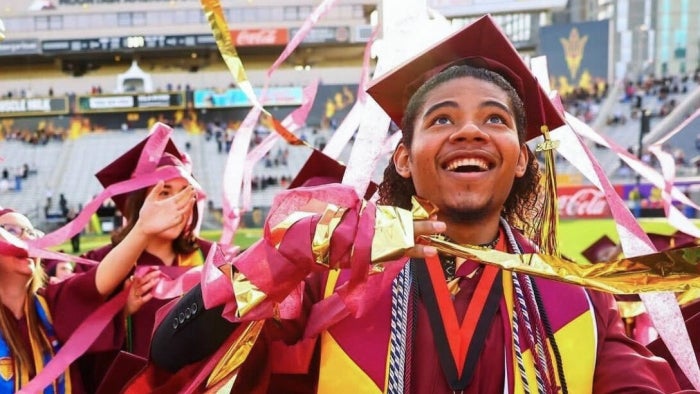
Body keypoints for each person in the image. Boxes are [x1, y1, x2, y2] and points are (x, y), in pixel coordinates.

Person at [144, 16, 681, 393]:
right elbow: (170, 350)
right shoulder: (333, 279)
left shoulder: (580, 302)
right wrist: (288, 256)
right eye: (442, 119)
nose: (469, 129)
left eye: (495, 119)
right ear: (403, 158)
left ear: (520, 159)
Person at [76, 129, 210, 392]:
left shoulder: (211, 258)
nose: (177, 204)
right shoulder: (100, 264)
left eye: (185, 192)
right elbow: (70, 335)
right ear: (139, 201)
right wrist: (118, 311)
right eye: (164, 192)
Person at [0, 204, 179, 392]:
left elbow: (98, 280)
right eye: (11, 231)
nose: (28, 239)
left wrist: (142, 229)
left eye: (32, 233)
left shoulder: (53, 303)